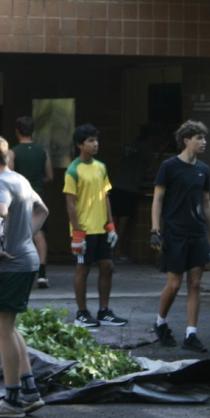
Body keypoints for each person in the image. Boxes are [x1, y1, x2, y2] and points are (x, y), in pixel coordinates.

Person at [0, 134, 49, 418]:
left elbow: (0, 213)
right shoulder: (21, 179)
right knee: (8, 326)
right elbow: (43, 210)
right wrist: (24, 238)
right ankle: (29, 392)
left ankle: (12, 400)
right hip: (27, 260)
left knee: (2, 329)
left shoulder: (1, 182)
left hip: (14, 264)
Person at [149, 121, 210, 351]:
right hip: (175, 232)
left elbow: (206, 203)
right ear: (186, 140)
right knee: (175, 284)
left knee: (196, 283)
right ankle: (160, 322)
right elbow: (157, 200)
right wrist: (155, 230)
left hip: (197, 232)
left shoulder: (203, 169)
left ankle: (191, 334)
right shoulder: (169, 166)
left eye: (204, 138)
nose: (204, 142)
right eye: (199, 137)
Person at [64, 124, 126, 328]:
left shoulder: (101, 167)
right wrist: (77, 233)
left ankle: (104, 311)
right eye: (90, 141)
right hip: (85, 230)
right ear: (80, 145)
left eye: (96, 140)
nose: (95, 144)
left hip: (101, 228)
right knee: (83, 268)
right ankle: (82, 313)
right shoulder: (73, 170)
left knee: (107, 266)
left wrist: (111, 225)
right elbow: (70, 203)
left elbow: (105, 196)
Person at [7, 117, 53, 289]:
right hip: (38, 195)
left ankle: (19, 271)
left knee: (17, 232)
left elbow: (9, 176)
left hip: (20, 196)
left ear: (17, 131)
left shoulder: (13, 152)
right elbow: (50, 176)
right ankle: (42, 274)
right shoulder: (42, 152)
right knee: (39, 234)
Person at [109, 126, 156, 262]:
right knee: (123, 220)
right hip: (129, 188)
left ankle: (109, 251)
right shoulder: (146, 150)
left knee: (114, 219)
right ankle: (117, 251)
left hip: (116, 185)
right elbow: (155, 167)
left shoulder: (130, 146)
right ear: (150, 137)